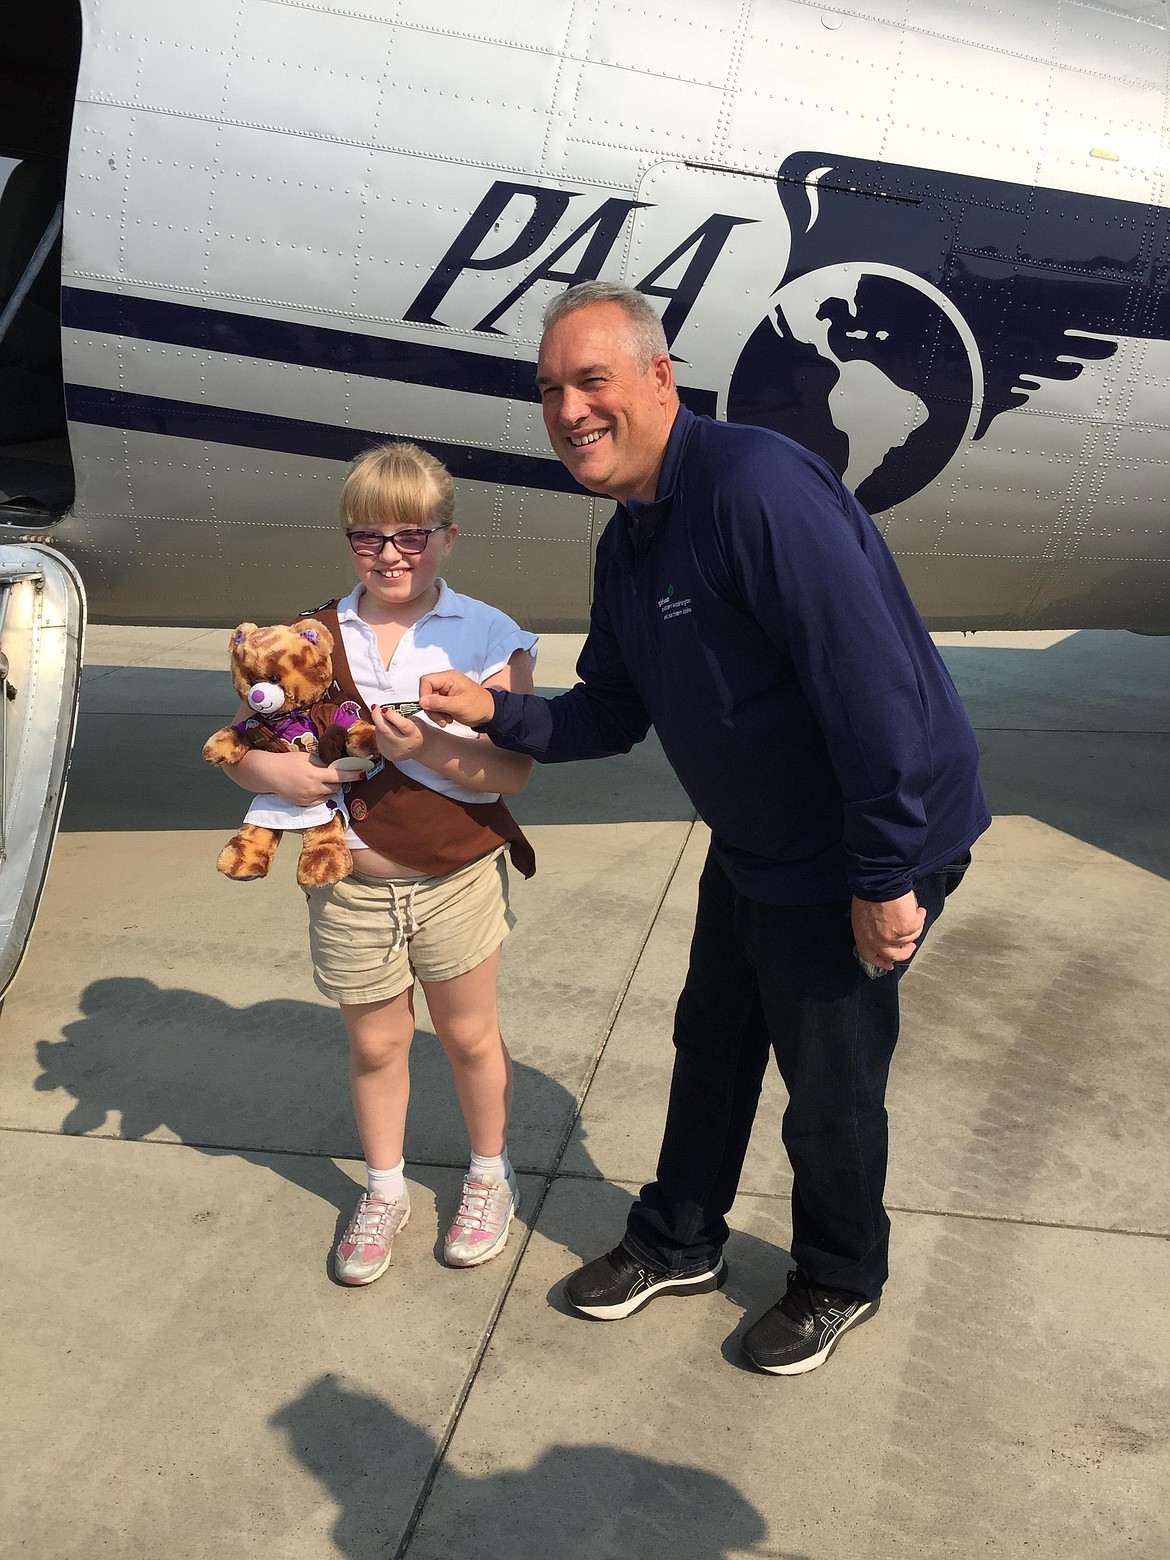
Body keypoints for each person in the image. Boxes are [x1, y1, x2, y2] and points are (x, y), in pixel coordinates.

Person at [420, 281, 991, 1375]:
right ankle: (680, 1239)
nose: (570, 410)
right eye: (550, 391)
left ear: (657, 377)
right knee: (712, 1043)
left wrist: (885, 874)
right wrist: (493, 709)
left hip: (858, 842)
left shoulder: (756, 490)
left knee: (828, 1082)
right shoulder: (631, 540)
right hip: (759, 839)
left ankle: (838, 1274)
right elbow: (612, 709)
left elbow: (872, 692)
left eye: (592, 381)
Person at [224, 441, 537, 1286]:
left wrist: (430, 744)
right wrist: (278, 773)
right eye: (369, 538)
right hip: (352, 884)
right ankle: (386, 1188)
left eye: (413, 535)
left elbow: (510, 770)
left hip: (454, 877)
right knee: (375, 1045)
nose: (392, 555)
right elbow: (254, 745)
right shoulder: (311, 636)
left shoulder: (489, 635)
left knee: (470, 1036)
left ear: (449, 535)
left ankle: (487, 1174)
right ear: (347, 538)